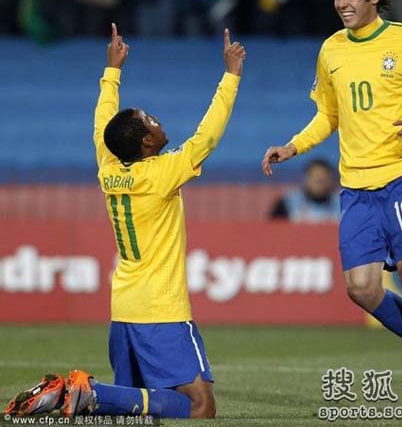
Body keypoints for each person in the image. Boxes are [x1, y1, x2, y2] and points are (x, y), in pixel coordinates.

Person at [5, 23, 246, 419]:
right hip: (162, 309)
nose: (157, 120)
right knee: (201, 407)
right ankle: (91, 393)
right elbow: (207, 136)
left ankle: (78, 396)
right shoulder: (160, 175)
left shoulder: (108, 166)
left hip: (123, 307)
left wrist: (111, 72)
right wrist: (231, 77)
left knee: (141, 407)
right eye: (151, 120)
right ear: (147, 142)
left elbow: (103, 125)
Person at [262, 0, 402, 416]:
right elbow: (328, 115)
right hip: (355, 187)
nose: (342, 3)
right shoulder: (331, 49)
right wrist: (293, 146)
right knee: (361, 288)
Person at [269, 158, 340, 222]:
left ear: (331, 180)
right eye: (315, 178)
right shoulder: (287, 203)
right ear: (306, 179)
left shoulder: (342, 205)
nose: (319, 181)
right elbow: (273, 230)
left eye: (323, 178)